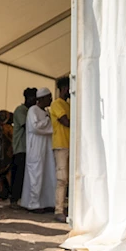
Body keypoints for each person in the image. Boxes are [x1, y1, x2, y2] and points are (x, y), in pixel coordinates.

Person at [21, 87, 56, 213]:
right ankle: (33, 204)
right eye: (49, 97)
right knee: (36, 174)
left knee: (48, 174)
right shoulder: (33, 110)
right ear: (42, 98)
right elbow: (35, 127)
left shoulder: (46, 112)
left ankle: (48, 202)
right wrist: (47, 121)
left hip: (46, 146)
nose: (51, 99)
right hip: (36, 147)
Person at [10, 88, 37, 210]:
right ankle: (14, 200)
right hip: (21, 147)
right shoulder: (21, 111)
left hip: (29, 149)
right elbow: (29, 126)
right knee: (19, 175)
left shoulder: (31, 111)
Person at [51, 77, 70, 222]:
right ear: (64, 88)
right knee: (62, 178)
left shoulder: (68, 105)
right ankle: (58, 210)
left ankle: (66, 207)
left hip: (69, 144)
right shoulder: (57, 104)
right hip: (61, 145)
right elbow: (65, 121)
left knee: (69, 179)